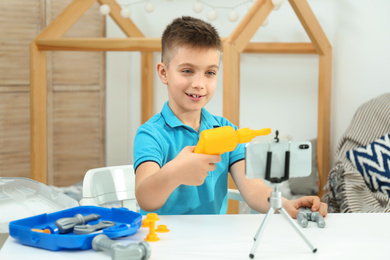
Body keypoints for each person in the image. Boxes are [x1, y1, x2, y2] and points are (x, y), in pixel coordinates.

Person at [133, 16, 328, 217]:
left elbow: (254, 190)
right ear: (164, 73)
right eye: (187, 70)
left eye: (210, 73)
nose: (199, 83)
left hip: (216, 241)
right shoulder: (151, 134)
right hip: (167, 240)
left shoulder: (226, 131)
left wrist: (286, 205)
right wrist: (174, 173)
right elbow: (145, 199)